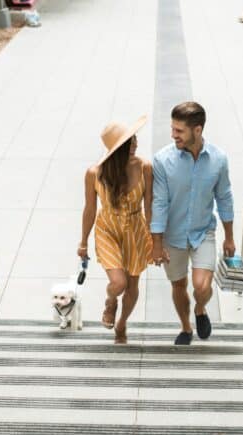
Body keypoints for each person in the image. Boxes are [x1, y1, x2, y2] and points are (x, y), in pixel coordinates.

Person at [151, 102, 235, 345]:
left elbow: (225, 197)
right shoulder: (163, 160)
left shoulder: (218, 159)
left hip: (203, 232)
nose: (173, 135)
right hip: (172, 236)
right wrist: (156, 243)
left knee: (201, 286)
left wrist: (229, 237)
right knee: (179, 285)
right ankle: (186, 327)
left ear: (197, 130)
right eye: (172, 129)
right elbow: (159, 203)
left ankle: (200, 309)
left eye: (179, 131)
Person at [78, 116, 152, 345]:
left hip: (135, 229)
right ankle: (111, 300)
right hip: (107, 229)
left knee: (132, 285)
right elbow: (90, 209)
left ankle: (122, 324)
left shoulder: (145, 167)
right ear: (116, 149)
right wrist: (83, 242)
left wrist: (157, 241)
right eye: (129, 143)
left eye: (135, 139)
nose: (135, 145)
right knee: (118, 283)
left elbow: (150, 207)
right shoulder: (94, 173)